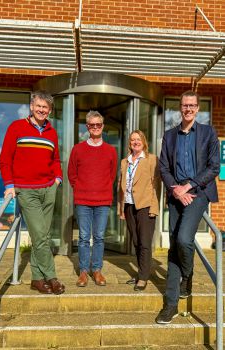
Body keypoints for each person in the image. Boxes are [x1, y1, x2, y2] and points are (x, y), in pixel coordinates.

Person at [156, 90, 220, 324]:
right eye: (185, 105)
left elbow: (213, 168)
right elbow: (163, 168)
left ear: (198, 108)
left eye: (192, 105)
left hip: (199, 193)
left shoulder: (207, 133)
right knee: (174, 245)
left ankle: (188, 273)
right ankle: (170, 304)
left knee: (184, 239)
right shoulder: (170, 136)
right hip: (176, 195)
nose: (188, 109)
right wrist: (175, 189)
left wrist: (189, 186)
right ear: (179, 107)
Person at [0, 90, 65, 295]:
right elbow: (5, 159)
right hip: (26, 191)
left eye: (45, 107)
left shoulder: (52, 132)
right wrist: (9, 185)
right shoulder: (16, 127)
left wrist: (57, 179)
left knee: (42, 235)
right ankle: (51, 277)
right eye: (39, 106)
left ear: (50, 110)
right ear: (31, 106)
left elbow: (55, 159)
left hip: (48, 188)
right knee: (40, 235)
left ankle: (36, 279)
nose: (42, 110)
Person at [68, 110, 117, 287]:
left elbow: (111, 176)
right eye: (92, 125)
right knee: (83, 237)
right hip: (83, 201)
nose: (95, 128)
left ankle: (96, 270)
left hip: (103, 201)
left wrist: (100, 189)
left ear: (102, 126)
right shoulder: (78, 149)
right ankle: (83, 271)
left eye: (98, 124)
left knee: (99, 237)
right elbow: (71, 174)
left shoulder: (111, 151)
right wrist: (82, 188)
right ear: (87, 127)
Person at [118, 130, 160, 291]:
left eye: (138, 139)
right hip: (129, 205)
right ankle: (142, 272)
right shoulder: (125, 162)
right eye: (132, 140)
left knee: (144, 243)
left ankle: (143, 277)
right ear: (130, 143)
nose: (135, 142)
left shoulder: (151, 160)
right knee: (136, 242)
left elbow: (157, 186)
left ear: (144, 141)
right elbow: (120, 187)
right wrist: (121, 208)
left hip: (145, 206)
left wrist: (154, 208)